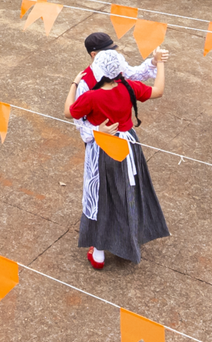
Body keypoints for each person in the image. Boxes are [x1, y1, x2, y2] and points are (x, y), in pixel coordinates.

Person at [66, 33, 170, 269]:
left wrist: (96, 130)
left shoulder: (90, 91)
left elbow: (71, 113)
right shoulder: (128, 86)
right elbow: (156, 89)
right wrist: (159, 63)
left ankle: (100, 251)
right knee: (129, 189)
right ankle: (129, 239)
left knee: (104, 195)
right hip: (128, 146)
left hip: (105, 146)